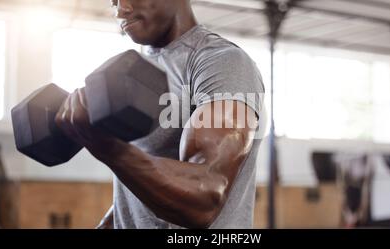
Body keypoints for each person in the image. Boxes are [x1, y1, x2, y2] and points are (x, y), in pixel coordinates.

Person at [55, 0, 265, 229]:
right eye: (113, 1)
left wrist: (108, 148)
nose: (120, 11)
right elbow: (139, 184)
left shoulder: (219, 62)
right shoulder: (136, 68)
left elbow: (206, 198)